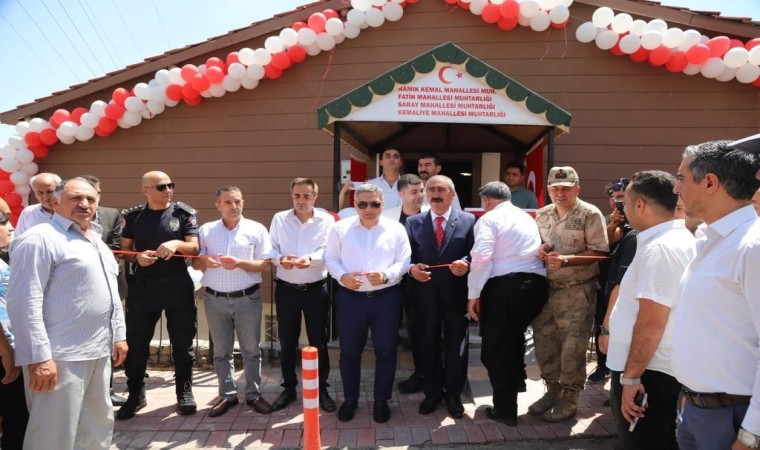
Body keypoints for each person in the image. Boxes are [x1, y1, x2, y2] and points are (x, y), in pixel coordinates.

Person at [7, 178, 127, 450]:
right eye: (75, 198)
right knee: (52, 436)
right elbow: (24, 302)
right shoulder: (39, 239)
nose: (85, 204)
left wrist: (119, 336)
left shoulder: (96, 240)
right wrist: (38, 357)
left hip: (98, 352)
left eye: (91, 199)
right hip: (59, 357)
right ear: (54, 201)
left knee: (97, 428)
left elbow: (110, 292)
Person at [671, 139, 760, 450]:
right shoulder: (710, 240)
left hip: (735, 419)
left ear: (710, 182)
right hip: (697, 411)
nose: (675, 189)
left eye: (680, 177)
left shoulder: (753, 246)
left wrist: (751, 434)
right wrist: (689, 400)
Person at [605, 171, 696, 449]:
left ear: (640, 205)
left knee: (643, 442)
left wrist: (631, 377)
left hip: (650, 375)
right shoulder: (665, 241)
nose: (625, 209)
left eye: (627, 203)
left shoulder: (662, 248)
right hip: (651, 371)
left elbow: (652, 321)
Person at [324, 184, 411, 423]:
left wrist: (386, 276)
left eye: (374, 204)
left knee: (386, 352)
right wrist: (342, 276)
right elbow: (329, 257)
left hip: (386, 298)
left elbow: (404, 261)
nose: (368, 209)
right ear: (355, 205)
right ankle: (350, 400)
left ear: (383, 204)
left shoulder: (396, 229)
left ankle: (381, 400)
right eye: (363, 204)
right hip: (351, 299)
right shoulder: (340, 228)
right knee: (350, 353)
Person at [117, 171, 199, 420]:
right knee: (137, 344)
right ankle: (135, 395)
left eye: (170, 185)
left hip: (177, 285)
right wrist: (137, 258)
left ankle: (184, 392)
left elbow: (194, 247)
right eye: (161, 186)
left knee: (183, 345)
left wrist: (176, 245)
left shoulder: (183, 213)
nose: (168, 190)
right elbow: (125, 249)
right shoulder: (132, 216)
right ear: (146, 190)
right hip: (144, 288)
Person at [530, 166, 609, 423]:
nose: (560, 193)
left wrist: (567, 260)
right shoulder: (542, 214)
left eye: (566, 189)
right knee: (545, 344)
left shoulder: (589, 214)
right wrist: (540, 249)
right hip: (546, 290)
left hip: (578, 290)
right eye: (555, 188)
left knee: (572, 348)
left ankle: (570, 398)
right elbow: (535, 245)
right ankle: (552, 391)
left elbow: (600, 252)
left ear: (577, 188)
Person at [466, 181, 548, 426]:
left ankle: (505, 410)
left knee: (495, 351)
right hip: (535, 287)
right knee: (512, 341)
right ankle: (514, 388)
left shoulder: (488, 220)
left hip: (506, 287)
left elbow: (481, 258)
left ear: (486, 200)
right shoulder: (526, 218)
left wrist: (473, 294)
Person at [192, 186, 273, 417]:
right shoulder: (206, 230)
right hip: (214, 299)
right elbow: (195, 264)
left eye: (237, 201)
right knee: (221, 352)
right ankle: (227, 395)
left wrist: (239, 263)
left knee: (251, 351)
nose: (234, 206)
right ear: (218, 205)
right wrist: (203, 260)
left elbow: (266, 265)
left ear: (243, 202)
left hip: (247, 298)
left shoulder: (256, 229)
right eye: (228, 202)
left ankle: (253, 395)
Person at [406, 175, 475, 419]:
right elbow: (406, 257)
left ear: (452, 194)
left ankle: (454, 395)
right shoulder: (413, 222)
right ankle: (432, 393)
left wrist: (466, 263)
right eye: (431, 189)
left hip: (456, 295)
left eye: (441, 189)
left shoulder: (469, 220)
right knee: (428, 344)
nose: (435, 193)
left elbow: (475, 253)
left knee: (457, 347)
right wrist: (412, 268)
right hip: (423, 296)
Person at [268, 178, 335, 413]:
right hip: (286, 290)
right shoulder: (279, 218)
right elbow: (271, 248)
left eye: (307, 196)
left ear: (315, 197)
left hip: (316, 289)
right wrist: (280, 260)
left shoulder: (326, 220)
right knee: (287, 342)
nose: (301, 201)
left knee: (319, 341)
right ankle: (288, 389)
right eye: (297, 196)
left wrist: (312, 259)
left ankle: (322, 389)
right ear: (291, 195)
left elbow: (330, 249)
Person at [81, 175, 129, 407]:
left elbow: (118, 248)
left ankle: (106, 389)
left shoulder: (112, 214)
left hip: (111, 287)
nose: (90, 200)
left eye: (95, 195)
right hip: (80, 293)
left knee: (109, 339)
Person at [384, 173, 427, 394]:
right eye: (414, 192)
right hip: (390, 282)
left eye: (421, 190)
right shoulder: (387, 217)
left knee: (419, 330)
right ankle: (385, 377)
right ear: (400, 194)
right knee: (388, 329)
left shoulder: (431, 213)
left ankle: (421, 374)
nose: (420, 195)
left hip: (421, 283)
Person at [589, 178, 632, 384]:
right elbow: (602, 245)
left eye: (623, 198)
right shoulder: (606, 219)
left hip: (629, 282)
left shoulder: (640, 219)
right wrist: (614, 222)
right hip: (606, 279)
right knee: (602, 322)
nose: (618, 203)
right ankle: (602, 365)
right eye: (615, 198)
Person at [0, 211, 27, 450]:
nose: (10, 227)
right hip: (4, 350)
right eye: (2, 222)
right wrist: (7, 351)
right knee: (16, 416)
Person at [338, 148, 403, 210]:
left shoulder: (408, 185)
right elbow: (346, 189)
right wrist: (343, 191)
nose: (392, 159)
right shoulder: (371, 185)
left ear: (401, 162)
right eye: (388, 156)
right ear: (381, 162)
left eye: (396, 157)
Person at [14, 172, 61, 236]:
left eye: (50, 192)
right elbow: (18, 238)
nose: (45, 196)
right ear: (35, 194)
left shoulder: (71, 211)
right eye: (40, 193)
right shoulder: (29, 212)